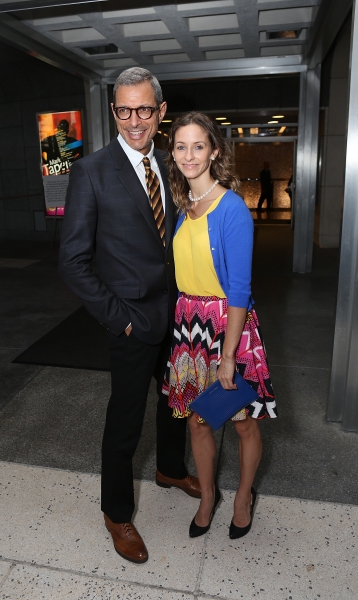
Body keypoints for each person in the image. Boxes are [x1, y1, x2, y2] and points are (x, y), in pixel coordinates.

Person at [59, 68, 200, 565]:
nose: (134, 120)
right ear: (113, 111)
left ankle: (168, 468)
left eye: (144, 109)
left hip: (178, 315)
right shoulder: (92, 171)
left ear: (160, 112)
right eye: (124, 110)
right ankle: (116, 512)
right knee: (125, 420)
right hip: (130, 321)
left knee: (174, 402)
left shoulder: (173, 162)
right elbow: (73, 262)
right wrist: (117, 318)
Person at [162, 112, 277, 540]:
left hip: (228, 327)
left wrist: (228, 356)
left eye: (198, 146)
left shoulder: (231, 209)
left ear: (213, 151)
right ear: (172, 153)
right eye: (180, 146)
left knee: (243, 421)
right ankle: (208, 498)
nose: (189, 155)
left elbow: (240, 291)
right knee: (197, 421)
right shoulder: (184, 207)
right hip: (190, 329)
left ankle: (244, 497)